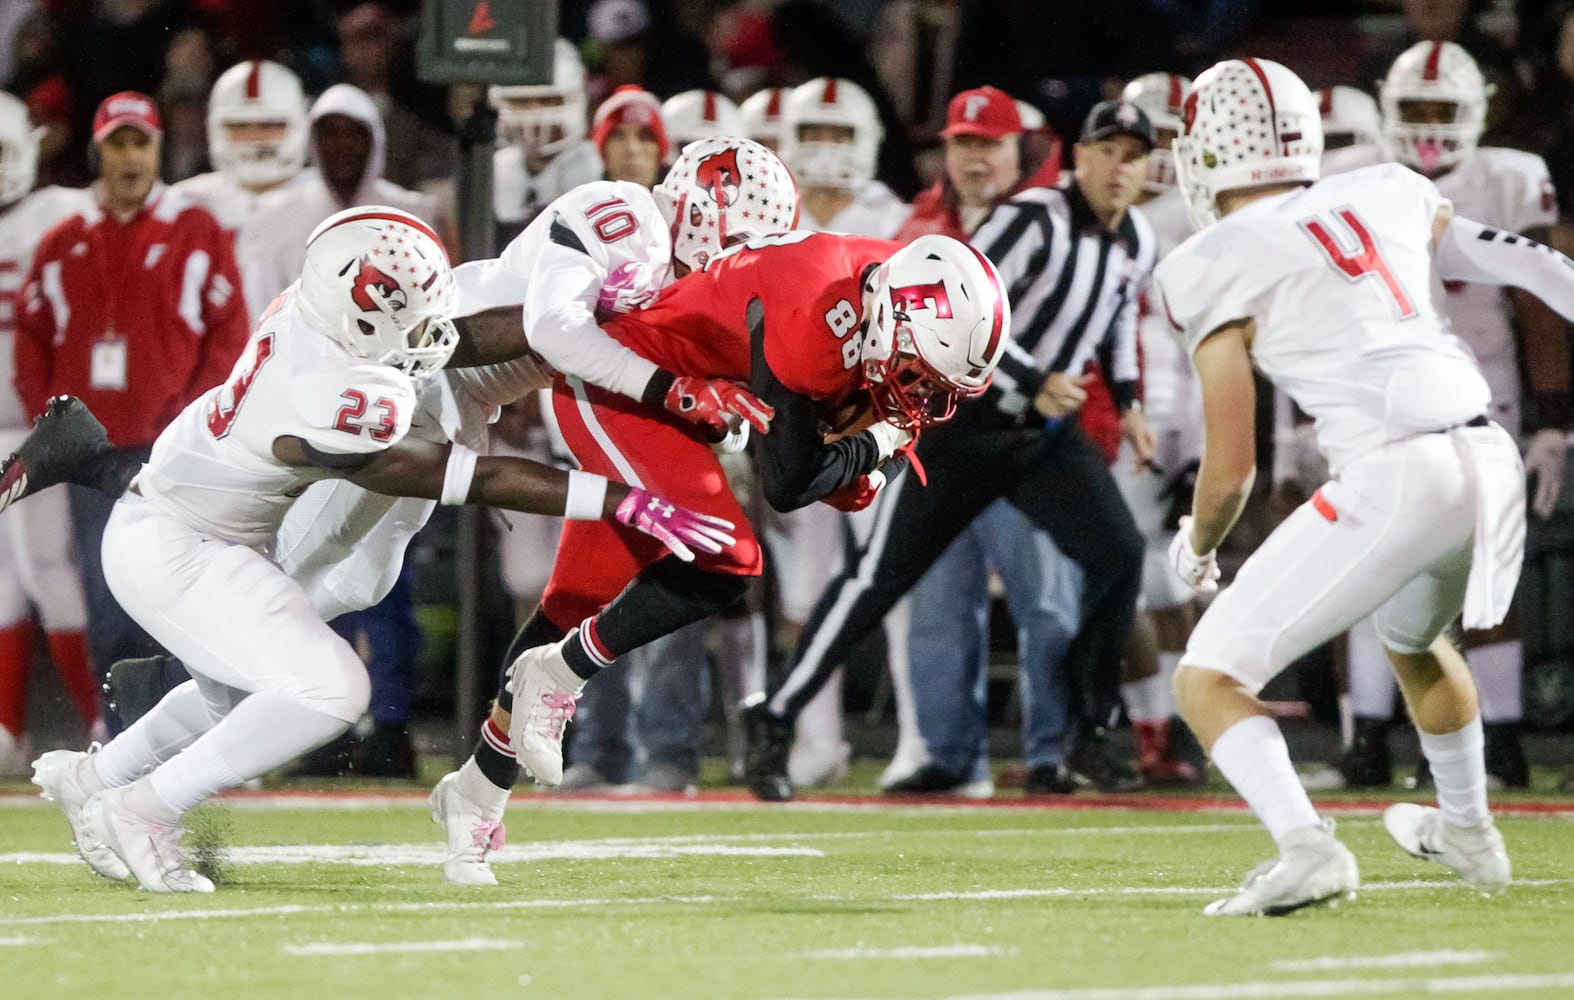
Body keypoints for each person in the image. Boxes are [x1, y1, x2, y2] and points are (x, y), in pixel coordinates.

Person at [23, 206, 732, 893]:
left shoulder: (317, 308)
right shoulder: (338, 395)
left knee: (248, 692)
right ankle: (146, 807)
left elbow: (451, 341)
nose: (426, 332)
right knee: (327, 689)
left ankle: (95, 779)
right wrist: (618, 499)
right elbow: (468, 477)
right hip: (177, 549)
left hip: (199, 527)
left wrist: (587, 319)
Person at [1155, 56, 1547, 915]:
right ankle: (1470, 835)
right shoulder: (1384, 185)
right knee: (1413, 638)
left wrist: (1199, 541)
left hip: (1400, 470)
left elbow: (1233, 467)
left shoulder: (1204, 260)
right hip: (1489, 459)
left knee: (1208, 677)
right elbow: (1520, 260)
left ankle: (1307, 848)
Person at [743, 96, 1157, 803]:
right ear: (1079, 155)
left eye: (1133, 155)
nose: (1119, 168)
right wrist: (1033, 376)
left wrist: (1130, 402)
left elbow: (1116, 317)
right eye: (1108, 150)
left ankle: (1090, 729)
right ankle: (775, 717)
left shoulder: (1137, 238)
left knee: (1119, 553)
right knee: (878, 580)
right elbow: (969, 299)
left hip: (1041, 435)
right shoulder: (1033, 219)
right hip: (960, 426)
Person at [1320, 41, 1569, 790]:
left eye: (1442, 110)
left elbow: (1538, 311)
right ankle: (1368, 738)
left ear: (1479, 112)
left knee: (1486, 573)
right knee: (1371, 566)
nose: (1429, 126)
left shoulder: (1510, 178)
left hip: (1482, 395)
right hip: (1380, 398)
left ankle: (1502, 741)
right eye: (1416, 110)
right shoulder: (1350, 176)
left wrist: (1553, 419)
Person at [12, 91, 250, 719]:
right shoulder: (65, 241)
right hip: (93, 455)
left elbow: (228, 336)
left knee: (181, 596)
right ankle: (121, 736)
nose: (130, 156)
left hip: (173, 451)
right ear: (98, 150)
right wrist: (54, 420)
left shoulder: (196, 231)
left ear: (159, 148)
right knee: (104, 594)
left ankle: (199, 734)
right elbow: (31, 338)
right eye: (117, 143)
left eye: (140, 142)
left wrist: (195, 421)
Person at [767, 76, 913, 789]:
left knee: (889, 580)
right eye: (814, 133)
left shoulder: (900, 218)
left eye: (840, 134)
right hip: (796, 419)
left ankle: (915, 737)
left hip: (874, 421)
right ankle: (816, 741)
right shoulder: (773, 215)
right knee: (803, 594)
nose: (825, 151)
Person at [0, 89, 98, 772]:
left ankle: (101, 717)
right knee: (2, 582)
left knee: (51, 570)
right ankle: (8, 728)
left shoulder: (64, 215)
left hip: (35, 422)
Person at [254, 83, 448, 287]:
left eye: (353, 134)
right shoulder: (276, 214)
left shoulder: (414, 215)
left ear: (374, 140)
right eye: (330, 134)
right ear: (315, 141)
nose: (342, 146)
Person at [171, 59, 311, 325]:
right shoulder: (186, 202)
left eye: (270, 125)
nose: (256, 138)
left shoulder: (327, 199)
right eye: (240, 127)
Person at [490, 38, 602, 236]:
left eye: (546, 100)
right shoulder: (494, 170)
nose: (534, 112)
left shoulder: (599, 170)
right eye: (522, 101)